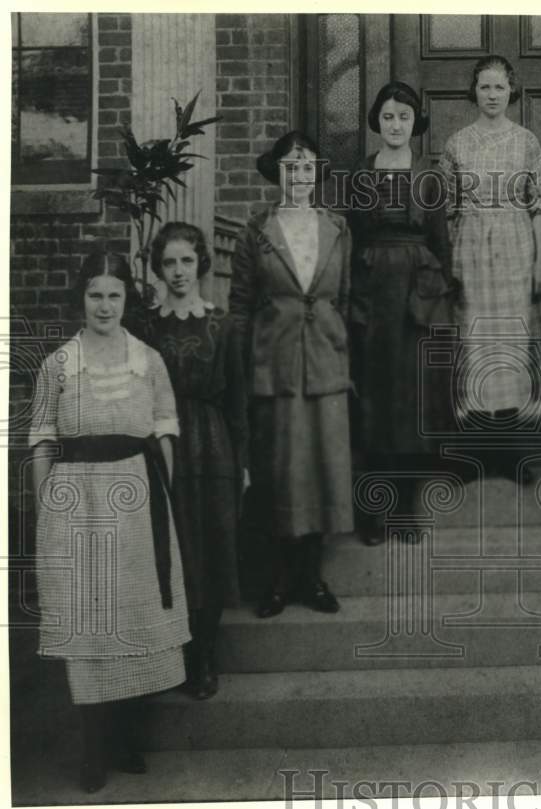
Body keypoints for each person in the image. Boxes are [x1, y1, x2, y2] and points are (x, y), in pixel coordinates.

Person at [29, 250, 189, 792]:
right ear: (81, 299)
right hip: (77, 507)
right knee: (91, 624)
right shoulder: (59, 364)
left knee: (135, 617)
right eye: (95, 294)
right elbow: (42, 442)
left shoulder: (147, 359)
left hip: (138, 501)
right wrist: (47, 515)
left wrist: (158, 496)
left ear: (127, 299)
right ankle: (92, 751)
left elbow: (165, 428)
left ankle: (127, 740)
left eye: (114, 294)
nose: (104, 305)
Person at [230, 130, 352, 618]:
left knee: (322, 468)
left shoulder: (338, 227)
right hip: (274, 363)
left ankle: (312, 576)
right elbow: (240, 305)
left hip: (325, 361)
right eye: (290, 168)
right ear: (277, 173)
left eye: (307, 168)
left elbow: (342, 297)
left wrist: (339, 347)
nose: (300, 177)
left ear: (318, 172)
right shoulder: (256, 229)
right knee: (281, 471)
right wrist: (242, 365)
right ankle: (279, 579)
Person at [349, 81, 457, 545]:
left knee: (414, 401)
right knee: (375, 401)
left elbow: (441, 244)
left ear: (416, 124)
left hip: (418, 298)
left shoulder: (429, 177)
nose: (396, 125)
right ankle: (373, 510)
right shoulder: (360, 176)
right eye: (389, 117)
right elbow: (351, 242)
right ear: (378, 122)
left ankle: (407, 508)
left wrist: (439, 300)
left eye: (405, 117)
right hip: (373, 296)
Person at [143, 222, 247, 698]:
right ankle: (174, 654)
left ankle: (204, 654)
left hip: (213, 447)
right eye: (169, 262)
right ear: (158, 268)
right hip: (162, 450)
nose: (179, 272)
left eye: (187, 261)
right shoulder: (145, 325)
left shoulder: (221, 323)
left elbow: (238, 401)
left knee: (211, 547)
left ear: (201, 263)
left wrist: (241, 462)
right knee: (173, 551)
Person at [438, 55, 541, 480]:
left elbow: (540, 206)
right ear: (474, 91)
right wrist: (450, 261)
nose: (491, 95)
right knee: (473, 341)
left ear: (511, 91)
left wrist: (540, 261)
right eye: (484, 87)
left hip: (515, 245)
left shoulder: (527, 142)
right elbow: (446, 210)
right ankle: (474, 453)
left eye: (499, 88)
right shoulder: (456, 144)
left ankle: (511, 453)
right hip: (469, 246)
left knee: (512, 344)